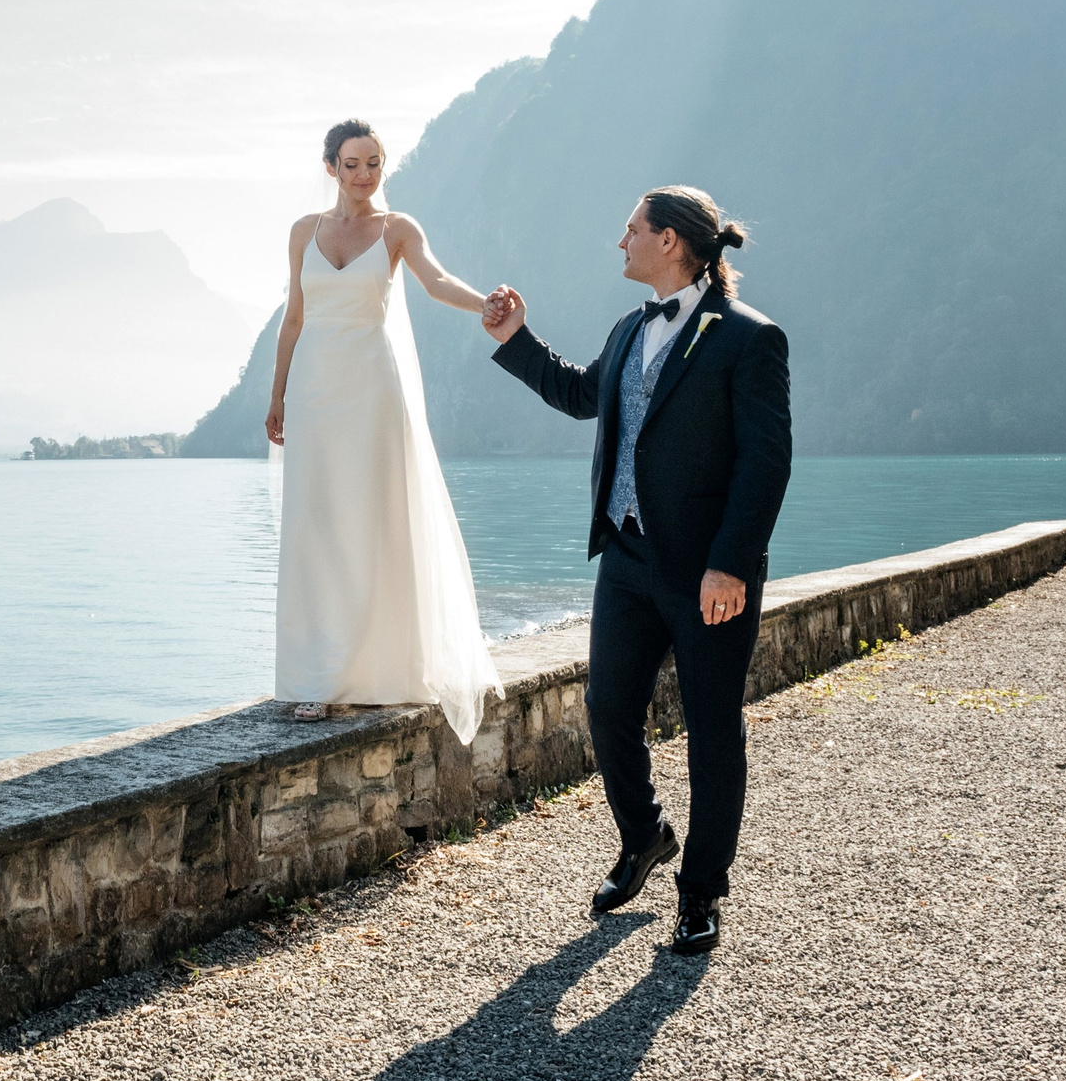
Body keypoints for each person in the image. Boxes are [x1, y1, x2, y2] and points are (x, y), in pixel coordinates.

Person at [480, 187, 791, 955]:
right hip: (625, 558)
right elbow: (581, 392)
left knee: (712, 729)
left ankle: (701, 891)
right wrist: (516, 336)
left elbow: (765, 463)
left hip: (707, 574)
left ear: (671, 241)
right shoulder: (629, 328)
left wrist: (730, 565)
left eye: (631, 229)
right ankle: (645, 835)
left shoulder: (749, 337)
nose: (620, 241)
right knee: (607, 707)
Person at [267, 120, 499, 744]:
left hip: (373, 388)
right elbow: (294, 318)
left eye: (373, 163)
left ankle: (377, 668)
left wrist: (485, 304)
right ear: (330, 167)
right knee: (317, 524)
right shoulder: (303, 232)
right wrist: (277, 395)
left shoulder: (398, 229)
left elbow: (437, 281)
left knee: (374, 518)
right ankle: (315, 678)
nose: (364, 175)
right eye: (352, 164)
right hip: (314, 392)